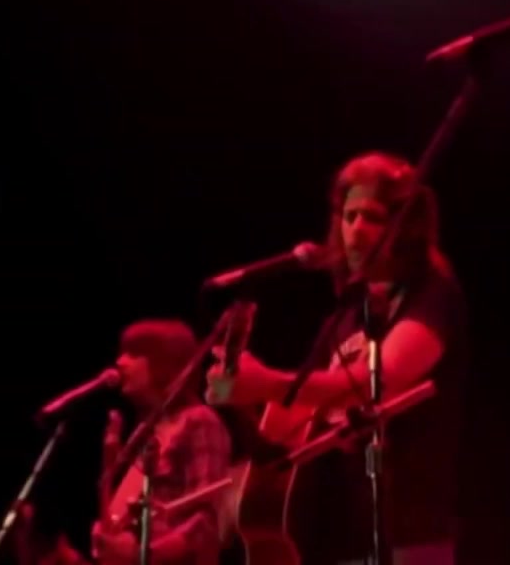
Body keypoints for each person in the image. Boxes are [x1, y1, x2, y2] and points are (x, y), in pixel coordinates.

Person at [206, 151, 469, 565]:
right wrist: (243, 408)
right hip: (342, 535)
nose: (357, 230)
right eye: (349, 217)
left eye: (373, 217)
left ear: (407, 226)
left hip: (411, 531)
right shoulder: (346, 313)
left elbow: (378, 381)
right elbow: (312, 412)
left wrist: (266, 383)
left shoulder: (431, 294)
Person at [94, 318, 234, 565]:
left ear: (164, 363)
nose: (120, 362)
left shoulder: (200, 421)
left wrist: (143, 554)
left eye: (134, 354)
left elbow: (206, 521)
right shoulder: (146, 431)